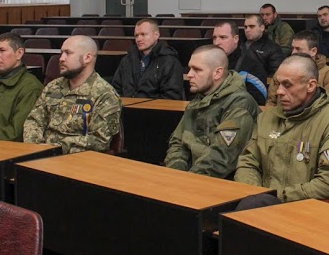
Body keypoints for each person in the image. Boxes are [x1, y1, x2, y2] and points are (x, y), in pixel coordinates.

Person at [235, 55, 329, 202]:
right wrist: (255, 193)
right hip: (260, 203)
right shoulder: (267, 118)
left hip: (304, 211)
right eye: (277, 84)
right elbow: (248, 163)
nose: (278, 91)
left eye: (287, 85)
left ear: (310, 86)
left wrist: (275, 198)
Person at [164, 46, 259, 177]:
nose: (189, 74)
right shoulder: (198, 100)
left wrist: (186, 181)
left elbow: (221, 157)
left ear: (217, 73)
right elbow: (178, 142)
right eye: (190, 68)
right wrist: (175, 171)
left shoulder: (240, 103)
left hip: (221, 183)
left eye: (197, 69)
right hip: (191, 178)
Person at [23, 35, 121, 153]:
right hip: (41, 155)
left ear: (87, 58)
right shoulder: (53, 87)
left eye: (68, 53)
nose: (61, 58)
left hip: (77, 161)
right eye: (61, 53)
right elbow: (34, 120)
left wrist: (55, 148)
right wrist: (34, 146)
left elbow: (99, 141)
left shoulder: (105, 94)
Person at [267, 31, 329, 110]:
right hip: (282, 117)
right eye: (292, 48)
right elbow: (271, 101)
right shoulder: (282, 71)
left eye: (298, 49)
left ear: (313, 51)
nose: (293, 52)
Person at [109, 19, 185, 100]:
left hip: (155, 110)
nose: (139, 39)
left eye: (143, 34)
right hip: (126, 109)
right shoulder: (127, 60)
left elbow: (172, 96)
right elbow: (116, 89)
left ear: (156, 35)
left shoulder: (170, 61)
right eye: (136, 35)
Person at [212, 21, 268, 104]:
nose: (217, 43)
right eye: (214, 38)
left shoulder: (252, 65)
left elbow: (258, 99)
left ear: (236, 39)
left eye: (223, 37)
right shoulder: (209, 62)